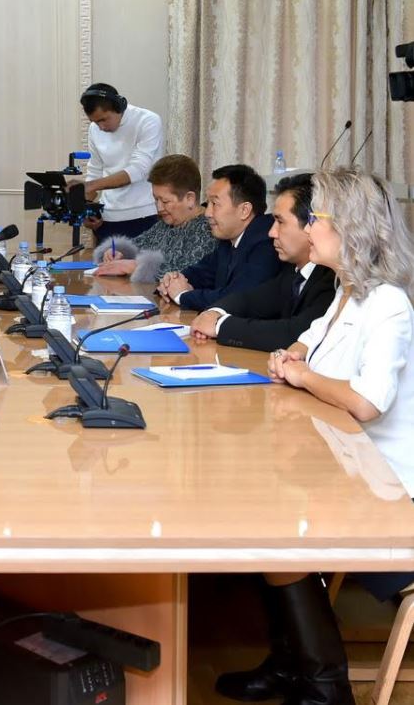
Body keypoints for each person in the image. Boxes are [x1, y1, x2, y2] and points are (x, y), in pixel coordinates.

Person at [218, 169, 414, 705]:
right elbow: (310, 338)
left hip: (390, 489)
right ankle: (295, 668)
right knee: (264, 512)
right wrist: (296, 355)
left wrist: (303, 376)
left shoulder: (388, 301)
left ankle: (323, 687)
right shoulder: (347, 293)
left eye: (315, 218)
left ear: (348, 226)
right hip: (350, 465)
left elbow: (368, 401)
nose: (306, 228)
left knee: (278, 530)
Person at [190, 173, 336, 351]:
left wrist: (219, 325)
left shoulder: (332, 277)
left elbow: (295, 333)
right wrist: (214, 312)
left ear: (311, 225)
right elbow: (250, 300)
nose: (272, 232)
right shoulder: (293, 271)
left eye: (280, 222)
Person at [157, 164, 281, 311]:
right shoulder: (229, 240)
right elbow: (199, 274)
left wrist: (182, 296)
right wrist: (171, 281)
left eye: (215, 204)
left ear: (244, 210)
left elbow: (236, 299)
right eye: (207, 203)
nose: (207, 213)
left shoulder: (266, 242)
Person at [92, 153, 215, 281]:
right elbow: (137, 245)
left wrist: (136, 267)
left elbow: (191, 273)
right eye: (156, 199)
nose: (159, 208)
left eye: (165, 201)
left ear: (189, 199)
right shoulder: (165, 224)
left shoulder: (208, 230)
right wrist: (119, 253)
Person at [71, 83, 164, 243]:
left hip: (145, 215)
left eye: (103, 119)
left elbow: (138, 169)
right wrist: (86, 209)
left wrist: (90, 186)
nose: (100, 127)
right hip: (107, 218)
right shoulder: (94, 129)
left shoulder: (148, 120)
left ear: (119, 106)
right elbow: (95, 170)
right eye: (95, 122)